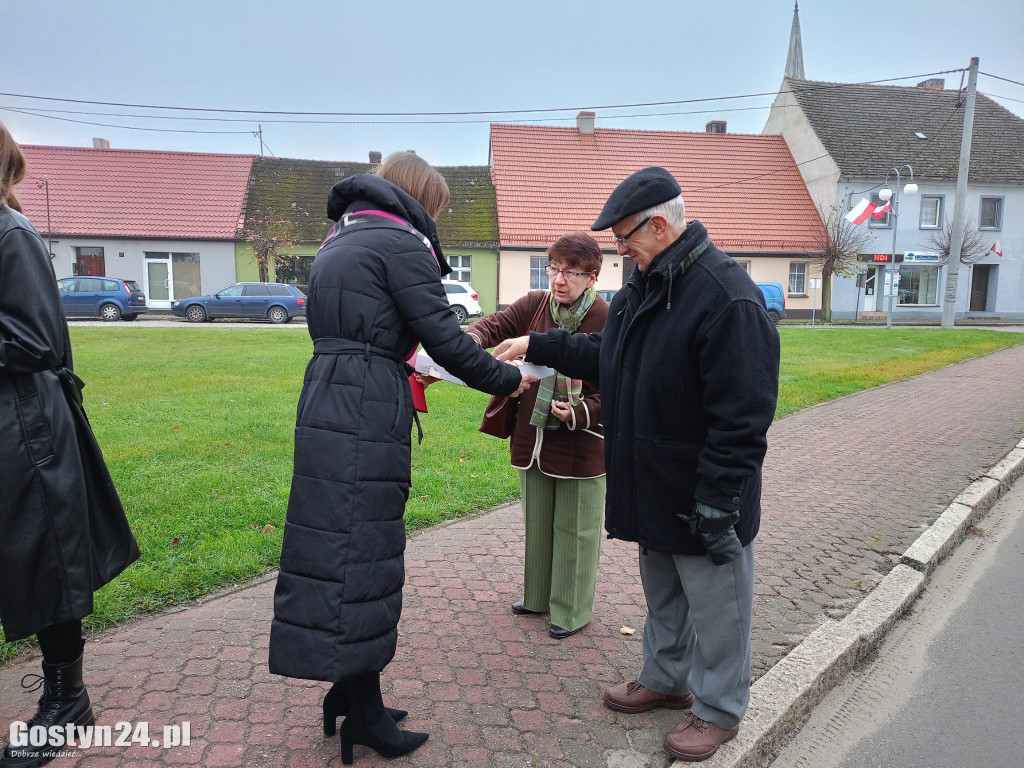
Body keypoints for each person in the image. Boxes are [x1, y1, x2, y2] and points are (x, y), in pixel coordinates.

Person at [493, 167, 779, 762]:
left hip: (704, 491)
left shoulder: (727, 298)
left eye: (625, 237)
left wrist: (718, 500)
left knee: (719, 605)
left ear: (658, 224)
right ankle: (665, 680)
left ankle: (720, 709)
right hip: (653, 483)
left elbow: (743, 418)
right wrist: (537, 344)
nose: (619, 249)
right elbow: (607, 353)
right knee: (664, 594)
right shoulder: (646, 286)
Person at [268, 152, 534, 765]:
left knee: (343, 548)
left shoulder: (340, 239)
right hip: (367, 407)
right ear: (419, 199)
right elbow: (444, 337)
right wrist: (509, 380)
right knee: (367, 556)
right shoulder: (400, 243)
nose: (434, 219)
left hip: (327, 398)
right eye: (435, 208)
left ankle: (354, 690)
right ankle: (362, 709)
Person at [0, 122, 140, 768]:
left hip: (27, 427)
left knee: (47, 560)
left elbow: (37, 341)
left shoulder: (11, 235)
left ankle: (67, 702)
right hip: (12, 422)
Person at [464, 232, 609, 639]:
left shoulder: (606, 317)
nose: (559, 280)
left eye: (571, 272)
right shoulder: (534, 305)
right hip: (534, 437)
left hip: (581, 440)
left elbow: (621, 386)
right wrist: (470, 342)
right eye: (554, 269)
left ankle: (571, 609)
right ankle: (538, 597)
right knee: (538, 521)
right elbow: (494, 326)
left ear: (592, 276)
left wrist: (582, 411)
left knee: (576, 527)